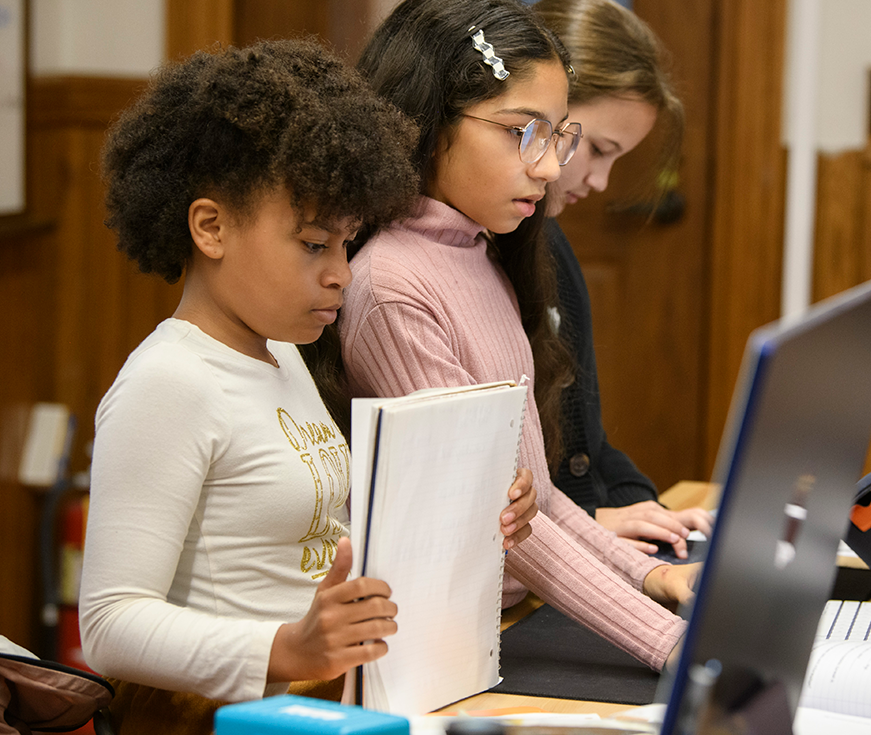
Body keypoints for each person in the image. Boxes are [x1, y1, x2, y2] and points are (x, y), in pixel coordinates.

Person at [78, 39, 538, 734]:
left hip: (322, 707)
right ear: (211, 227)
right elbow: (109, 626)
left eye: (348, 244)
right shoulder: (167, 384)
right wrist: (287, 647)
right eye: (314, 244)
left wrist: (474, 518)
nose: (342, 274)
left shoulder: (283, 356)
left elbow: (323, 541)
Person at [341, 0, 696, 672]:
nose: (548, 167)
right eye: (520, 133)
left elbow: (532, 488)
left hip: (510, 613)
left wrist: (649, 576)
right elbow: (496, 521)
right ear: (429, 117)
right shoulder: (390, 286)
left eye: (560, 138)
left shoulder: (483, 254)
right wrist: (672, 642)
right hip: (438, 647)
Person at [532, 0, 713, 558]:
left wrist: (649, 513)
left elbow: (588, 441)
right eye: (600, 150)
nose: (603, 183)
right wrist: (594, 521)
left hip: (572, 537)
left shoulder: (551, 247)